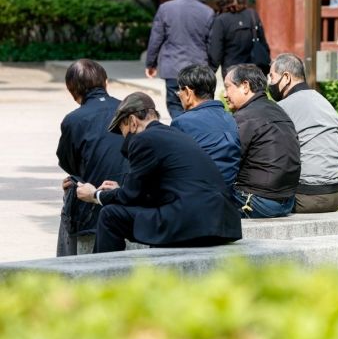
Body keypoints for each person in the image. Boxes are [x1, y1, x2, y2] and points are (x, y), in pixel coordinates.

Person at [76, 92, 242, 253]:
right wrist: (120, 191)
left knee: (110, 216)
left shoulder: (143, 139)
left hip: (190, 224)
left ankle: (102, 276)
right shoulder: (175, 134)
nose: (124, 137)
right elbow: (153, 191)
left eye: (123, 129)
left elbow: (131, 196)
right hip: (221, 223)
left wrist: (95, 195)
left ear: (133, 121)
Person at [56, 59, 129, 256]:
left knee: (72, 186)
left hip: (93, 211)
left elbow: (67, 162)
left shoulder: (74, 120)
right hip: (133, 197)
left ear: (73, 92)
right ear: (105, 82)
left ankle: (67, 272)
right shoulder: (130, 108)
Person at [268, 54, 338, 213]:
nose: (269, 82)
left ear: (286, 77)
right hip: (337, 194)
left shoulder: (283, 107)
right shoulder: (325, 102)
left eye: (272, 76)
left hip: (305, 197)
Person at [224, 64, 301, 218]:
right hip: (287, 202)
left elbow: (226, 162)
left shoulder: (245, 117)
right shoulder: (278, 110)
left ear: (245, 86)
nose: (225, 94)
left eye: (228, 87)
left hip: (258, 202)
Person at [145, 0, 214, 120]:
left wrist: (151, 63)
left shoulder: (165, 9)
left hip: (173, 67)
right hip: (198, 68)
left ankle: (181, 132)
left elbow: (156, 38)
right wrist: (212, 67)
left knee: (175, 105)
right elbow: (211, 43)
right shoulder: (207, 12)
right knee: (198, 106)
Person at [171, 64, 241, 189]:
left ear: (188, 92)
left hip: (198, 193)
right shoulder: (230, 118)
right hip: (227, 193)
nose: (178, 94)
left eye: (179, 90)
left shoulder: (182, 123)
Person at [208, 0, 271, 77]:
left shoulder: (221, 20)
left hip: (232, 74)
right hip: (254, 71)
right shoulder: (252, 14)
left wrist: (210, 73)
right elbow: (264, 44)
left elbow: (215, 55)